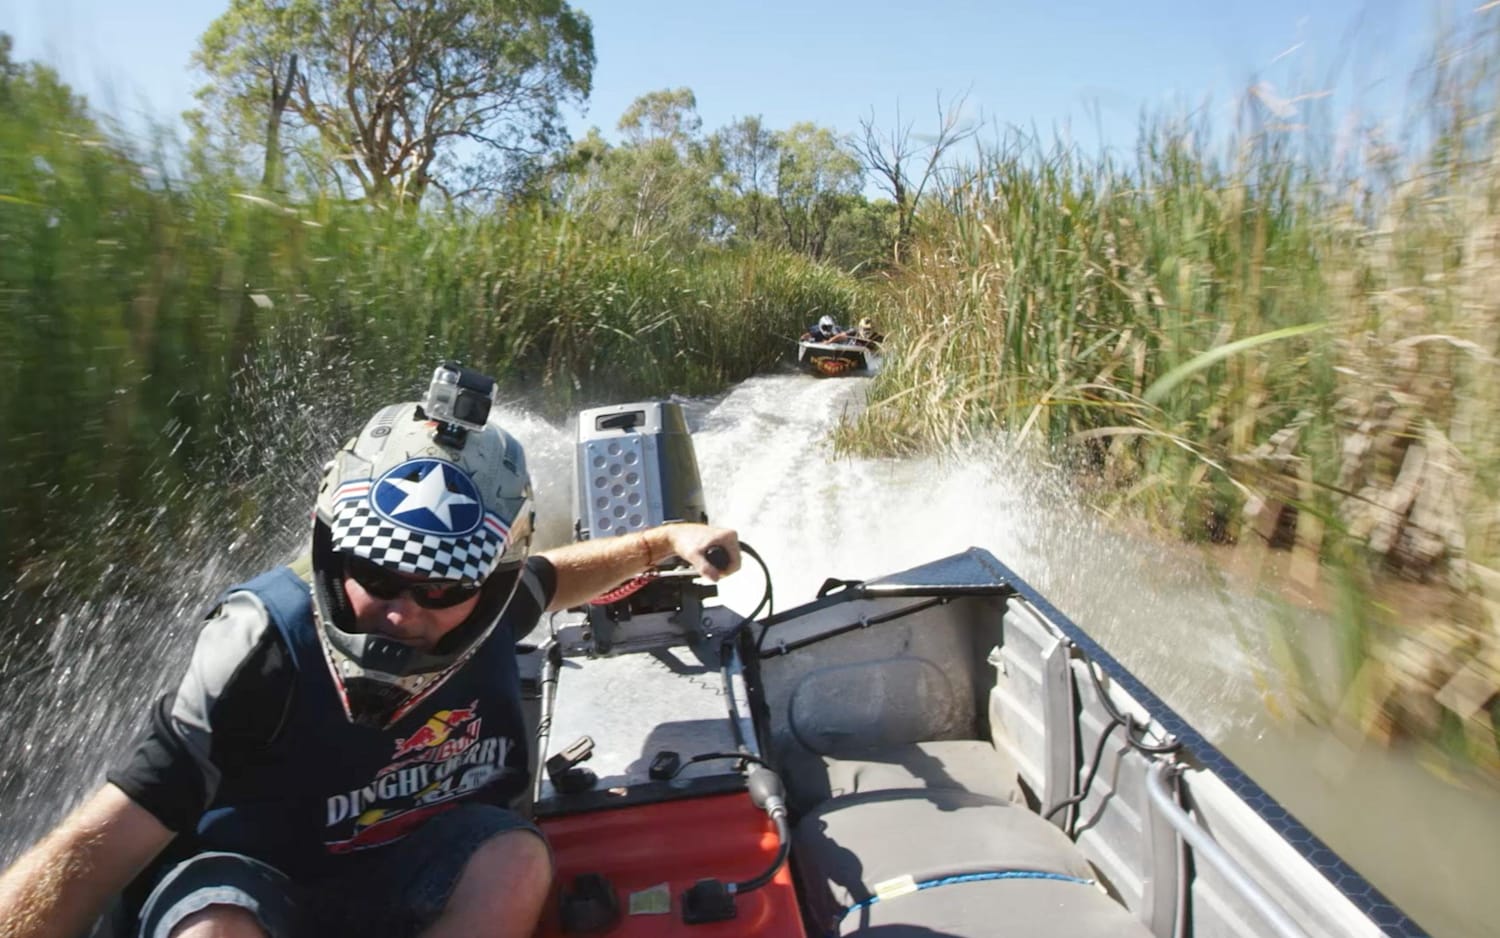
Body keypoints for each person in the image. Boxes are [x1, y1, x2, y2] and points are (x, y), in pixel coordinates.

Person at [0, 371, 740, 938]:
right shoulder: (260, 646)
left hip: (407, 867)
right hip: (250, 882)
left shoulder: (495, 609)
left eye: (443, 583)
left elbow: (562, 577)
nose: (402, 609)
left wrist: (659, 541)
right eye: (378, 572)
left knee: (515, 860)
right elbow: (97, 846)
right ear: (333, 549)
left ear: (490, 582)